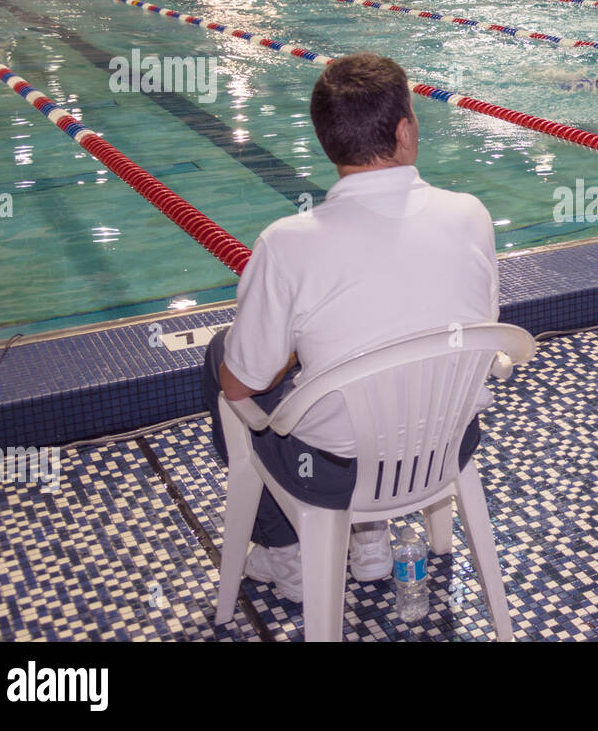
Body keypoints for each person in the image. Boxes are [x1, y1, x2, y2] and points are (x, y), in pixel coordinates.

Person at [202, 53, 501, 601]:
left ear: (327, 142)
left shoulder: (288, 243)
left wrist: (292, 353)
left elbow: (240, 385)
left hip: (335, 472)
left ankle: (288, 554)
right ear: (406, 130)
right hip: (446, 448)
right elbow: (477, 329)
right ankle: (369, 538)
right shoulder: (470, 214)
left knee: (222, 357)